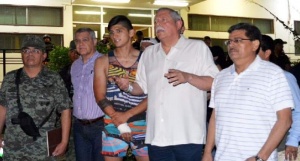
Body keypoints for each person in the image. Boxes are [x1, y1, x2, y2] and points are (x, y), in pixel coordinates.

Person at [116, 8, 219, 161]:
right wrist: (128, 86)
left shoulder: (197, 48)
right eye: (156, 21)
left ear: (178, 24)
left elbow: (214, 83)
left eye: (163, 20)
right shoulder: (149, 54)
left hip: (187, 135)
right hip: (157, 136)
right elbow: (141, 86)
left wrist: (188, 77)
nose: (158, 24)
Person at [203, 23, 293, 161]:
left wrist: (260, 157)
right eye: (229, 41)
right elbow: (216, 116)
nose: (231, 45)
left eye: (238, 40)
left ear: (255, 44)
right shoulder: (221, 77)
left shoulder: (273, 74)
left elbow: (285, 120)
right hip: (222, 157)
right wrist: (208, 152)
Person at [0, 35, 72, 160]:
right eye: (26, 50)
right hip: (13, 148)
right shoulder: (10, 78)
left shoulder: (54, 79)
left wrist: (64, 141)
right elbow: (2, 108)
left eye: (36, 51)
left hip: (43, 149)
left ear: (43, 56)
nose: (30, 54)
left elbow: (65, 110)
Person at [94, 15, 149, 161]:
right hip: (113, 123)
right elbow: (99, 96)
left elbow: (154, 95)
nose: (114, 35)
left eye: (119, 31)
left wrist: (126, 116)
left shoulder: (146, 60)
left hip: (143, 123)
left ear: (131, 33)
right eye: (111, 32)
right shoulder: (103, 61)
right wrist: (119, 121)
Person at [258, 34, 300, 161]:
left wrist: (293, 141)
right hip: (251, 147)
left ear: (267, 53)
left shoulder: (284, 77)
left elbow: (297, 111)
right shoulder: (239, 78)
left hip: (280, 148)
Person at [71, 28, 105, 161]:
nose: (80, 44)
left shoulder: (104, 62)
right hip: (79, 126)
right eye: (77, 41)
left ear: (94, 41)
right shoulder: (75, 65)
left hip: (100, 125)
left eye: (85, 40)